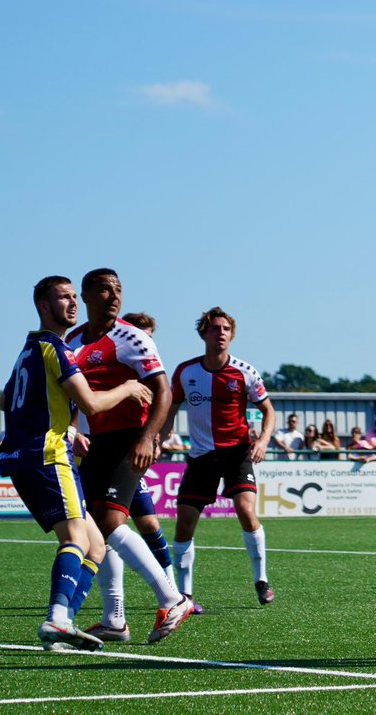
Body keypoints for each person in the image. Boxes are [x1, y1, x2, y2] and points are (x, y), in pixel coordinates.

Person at [0, 275, 153, 650]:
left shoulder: (28, 349)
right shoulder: (56, 348)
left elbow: (5, 400)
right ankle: (56, 618)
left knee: (96, 545)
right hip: (48, 456)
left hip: (21, 456)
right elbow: (92, 404)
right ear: (43, 306)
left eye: (73, 297)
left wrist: (52, 417)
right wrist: (130, 388)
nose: (71, 303)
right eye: (62, 298)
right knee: (75, 538)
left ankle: (64, 622)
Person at [65, 268, 193, 643]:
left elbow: (163, 391)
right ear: (86, 296)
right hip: (99, 441)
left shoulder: (131, 337)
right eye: (104, 289)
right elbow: (72, 390)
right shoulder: (73, 339)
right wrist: (73, 429)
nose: (114, 295)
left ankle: (173, 598)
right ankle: (114, 619)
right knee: (94, 527)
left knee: (106, 521)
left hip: (129, 439)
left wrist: (148, 437)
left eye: (118, 289)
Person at [164, 306, 278, 607]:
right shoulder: (186, 371)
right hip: (202, 457)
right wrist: (156, 438)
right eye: (215, 328)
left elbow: (269, 410)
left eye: (226, 329)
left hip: (237, 454)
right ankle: (185, 595)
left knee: (245, 510)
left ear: (232, 335)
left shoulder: (245, 371)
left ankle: (261, 580)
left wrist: (263, 440)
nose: (221, 333)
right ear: (204, 333)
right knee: (184, 523)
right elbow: (171, 408)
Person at [118, 311, 179, 604]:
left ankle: (173, 591)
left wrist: (154, 439)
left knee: (148, 524)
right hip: (105, 453)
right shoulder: (114, 368)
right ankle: (111, 606)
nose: (147, 343)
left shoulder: (152, 375)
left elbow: (163, 406)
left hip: (130, 457)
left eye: (150, 338)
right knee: (101, 530)